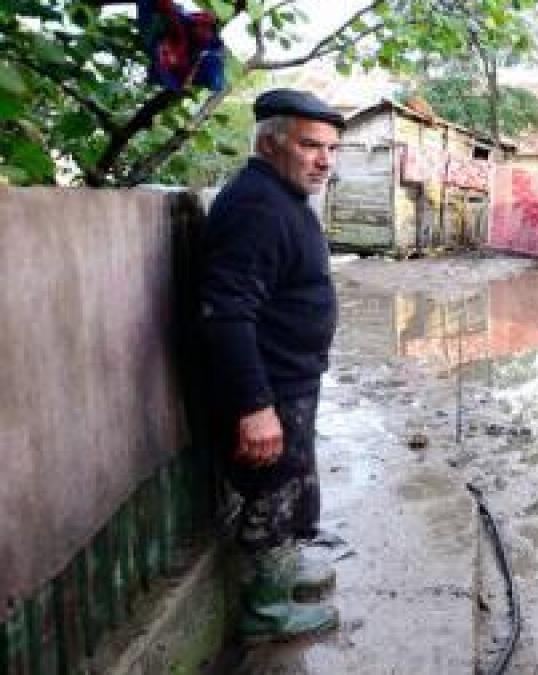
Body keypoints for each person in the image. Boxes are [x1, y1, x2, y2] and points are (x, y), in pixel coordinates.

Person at [199, 88, 343, 642]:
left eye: (331, 148)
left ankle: (285, 579)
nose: (325, 160)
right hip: (272, 387)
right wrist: (256, 407)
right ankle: (268, 612)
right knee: (273, 490)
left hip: (291, 381)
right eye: (310, 145)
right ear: (269, 142)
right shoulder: (257, 207)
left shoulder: (281, 196)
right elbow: (225, 312)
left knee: (291, 482)